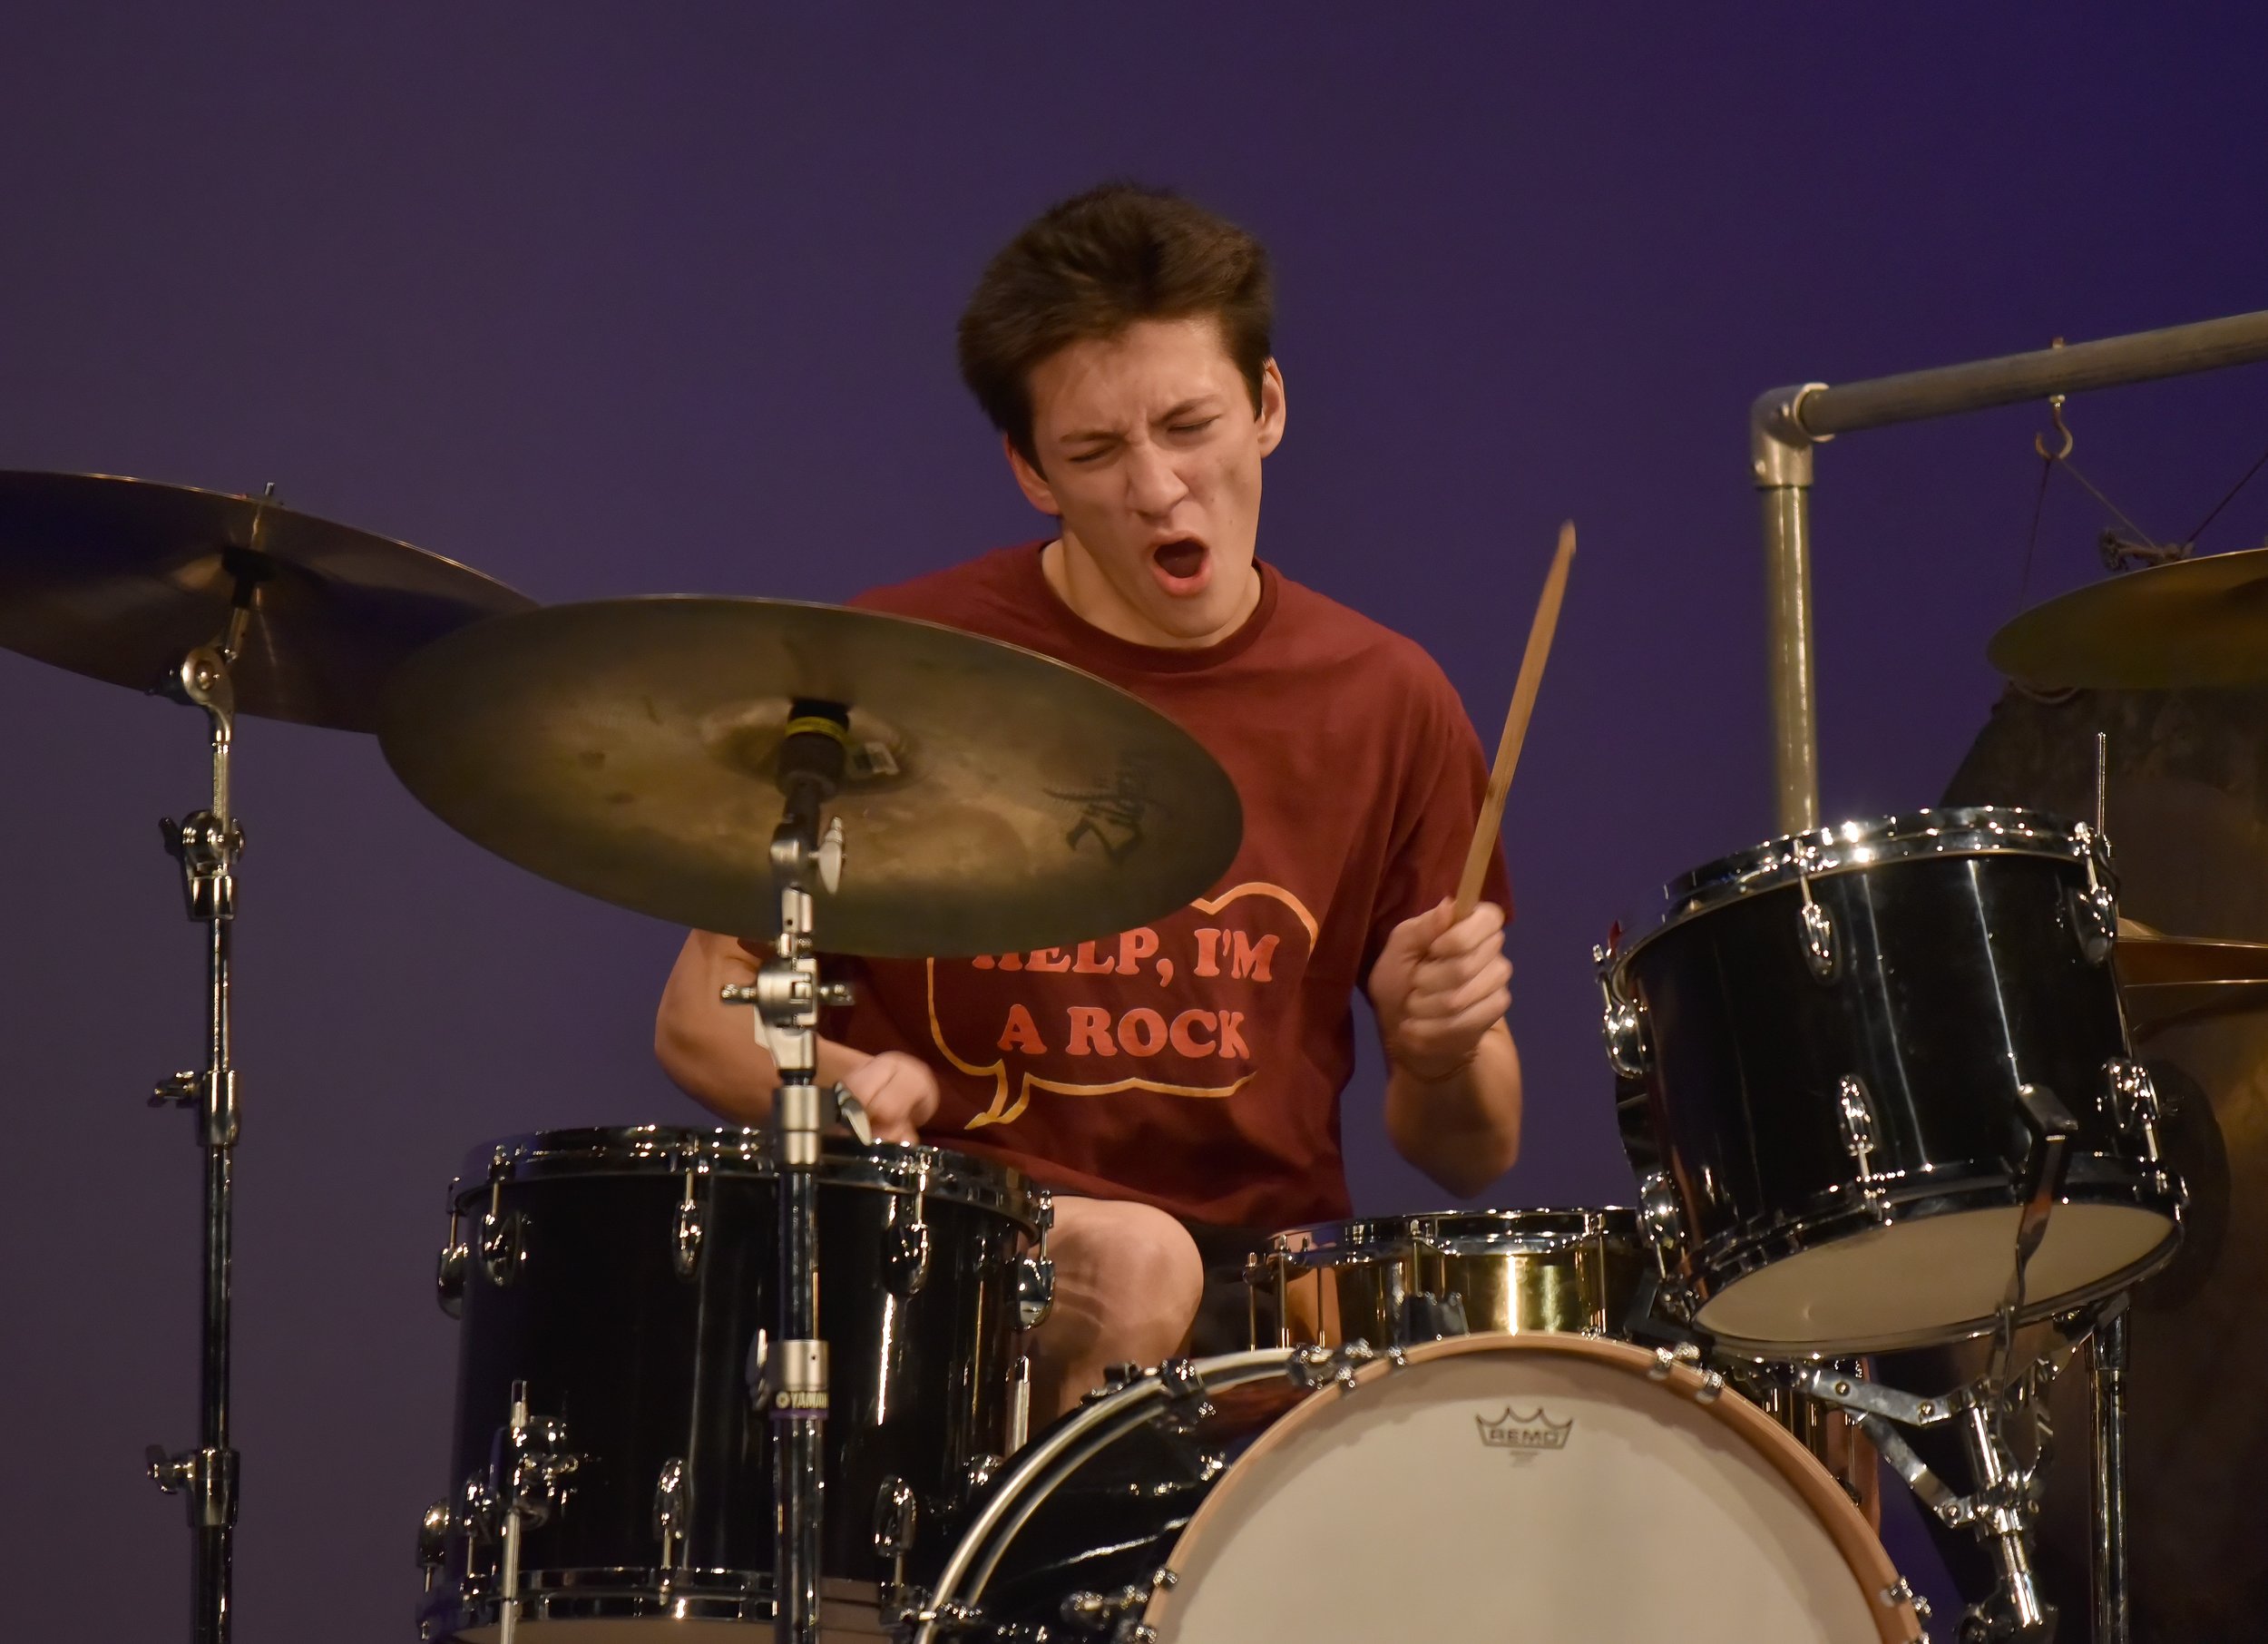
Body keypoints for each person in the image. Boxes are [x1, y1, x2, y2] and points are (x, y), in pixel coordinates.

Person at [656, 183, 1521, 1417]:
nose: (1161, 489)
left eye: (1190, 424)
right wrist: (849, 1091)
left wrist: (1440, 1054)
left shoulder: (1389, 699)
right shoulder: (892, 668)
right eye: (1098, 452)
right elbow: (698, 1015)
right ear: (1029, 471)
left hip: (1272, 1322)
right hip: (964, 1273)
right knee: (1133, 1263)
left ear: (1268, 406)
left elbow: (1471, 1150)